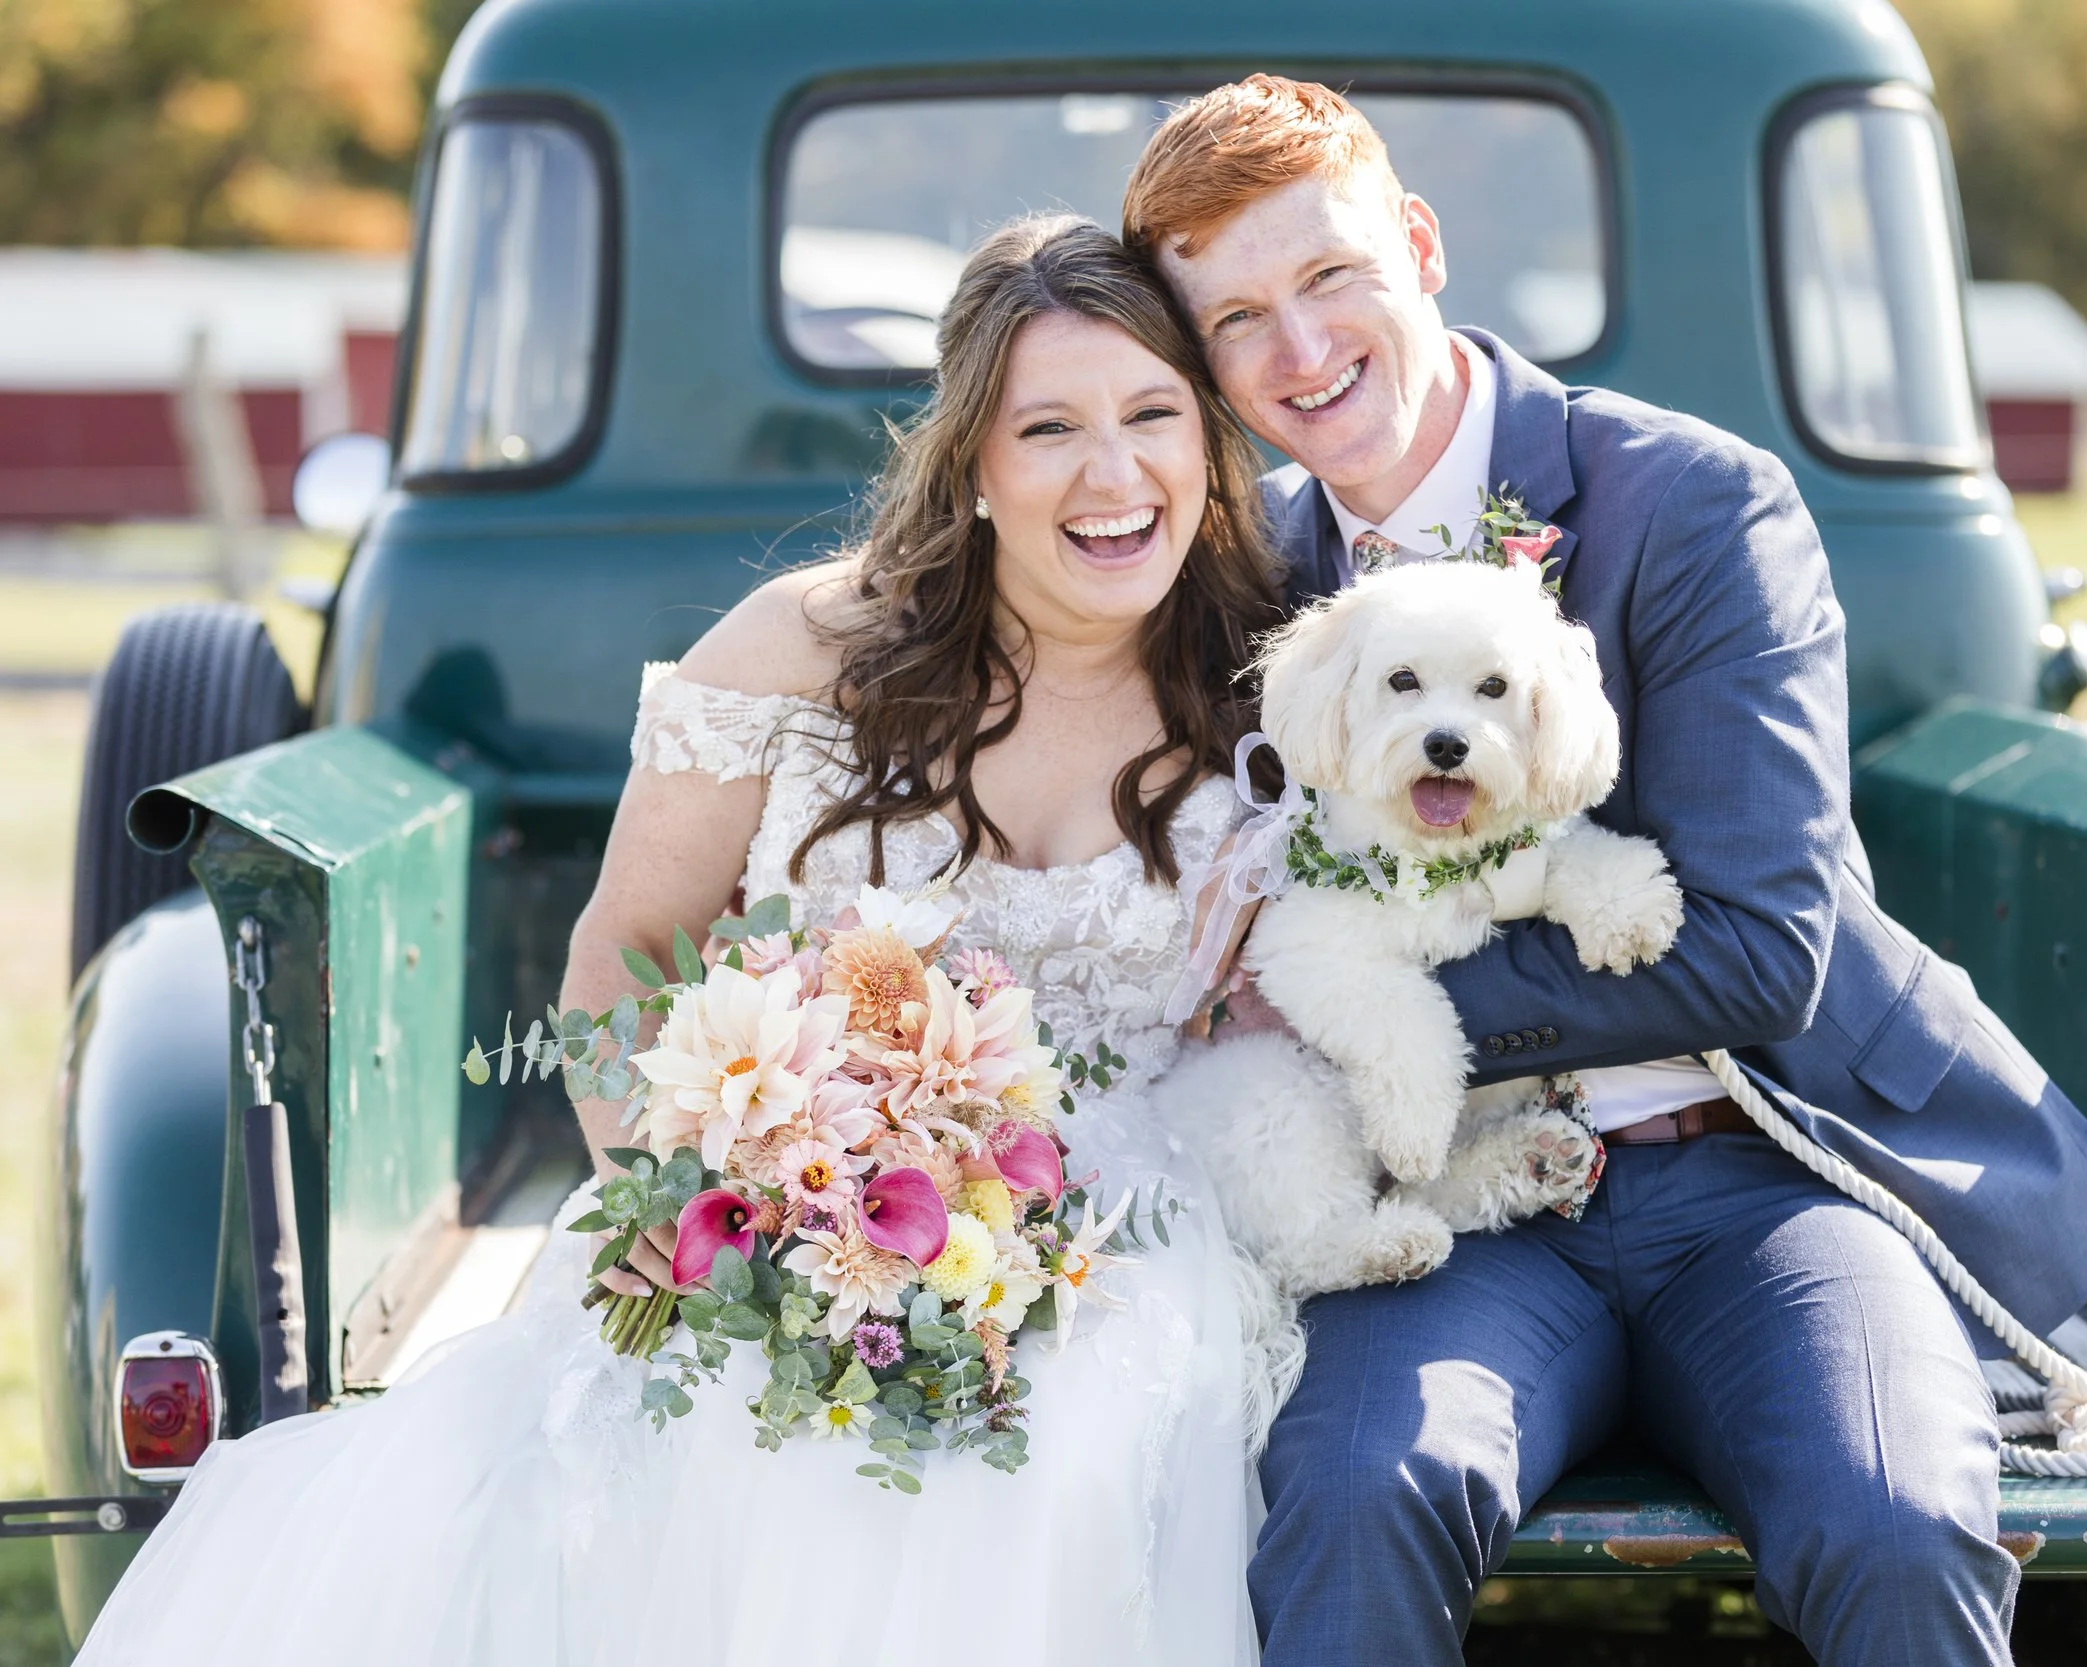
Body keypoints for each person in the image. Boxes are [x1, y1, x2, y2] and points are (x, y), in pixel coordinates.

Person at [74, 216, 1278, 1666]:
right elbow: (631, 947)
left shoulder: (1271, 679)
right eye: (1050, 427)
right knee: (705, 1438)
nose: (1113, 472)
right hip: (769, 1201)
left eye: (1154, 415)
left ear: (1208, 449)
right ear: (972, 467)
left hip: (1122, 1236)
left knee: (1066, 1450)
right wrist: (688, 1214)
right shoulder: (799, 649)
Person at [1126, 75, 2087, 1667]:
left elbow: (1755, 950)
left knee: (1894, 1513)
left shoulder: (1695, 504)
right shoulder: (1235, 575)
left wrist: (1348, 998)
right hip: (1454, 1209)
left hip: (1761, 1168)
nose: (1303, 350)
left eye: (1330, 277)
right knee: (1348, 1491)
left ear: (1419, 243)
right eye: (1239, 319)